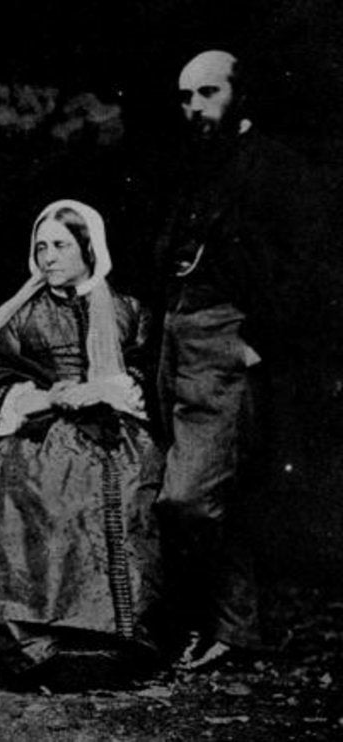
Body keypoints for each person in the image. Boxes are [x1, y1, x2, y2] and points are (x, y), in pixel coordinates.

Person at [154, 50, 334, 671]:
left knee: (190, 497)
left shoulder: (279, 169)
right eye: (185, 97)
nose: (195, 107)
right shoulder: (193, 160)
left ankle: (216, 622)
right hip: (176, 337)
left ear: (240, 95)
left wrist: (263, 340)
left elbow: (311, 268)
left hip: (227, 342)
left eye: (207, 93)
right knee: (204, 491)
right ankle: (232, 627)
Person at [0, 200, 162, 689]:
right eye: (41, 246)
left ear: (89, 248)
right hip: (38, 428)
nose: (48, 256)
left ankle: (117, 642)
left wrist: (105, 388)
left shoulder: (129, 310)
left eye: (61, 245)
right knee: (29, 489)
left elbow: (147, 374)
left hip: (115, 425)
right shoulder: (20, 315)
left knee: (126, 487)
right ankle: (40, 645)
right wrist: (46, 395)